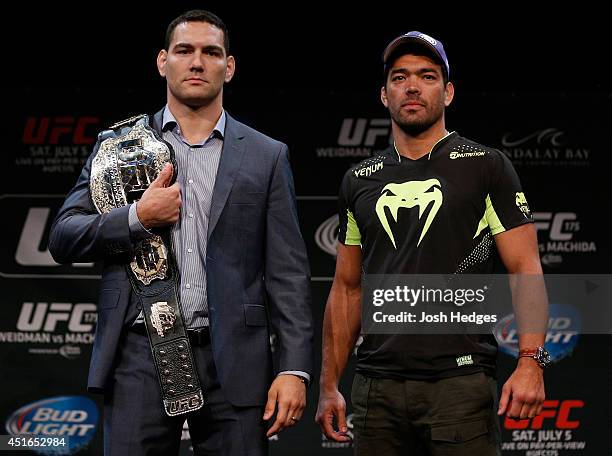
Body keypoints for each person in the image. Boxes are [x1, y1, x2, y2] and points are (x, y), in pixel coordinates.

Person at [49, 10, 313, 456]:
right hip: (139, 355)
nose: (197, 62)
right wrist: (137, 217)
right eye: (184, 51)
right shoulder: (117, 147)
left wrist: (294, 370)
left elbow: (288, 274)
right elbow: (63, 237)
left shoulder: (267, 155)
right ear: (162, 62)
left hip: (234, 359)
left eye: (211, 52)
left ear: (228, 67)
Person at [315, 31, 547, 455]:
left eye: (427, 76)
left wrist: (532, 361)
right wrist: (329, 384)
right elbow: (347, 288)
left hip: (459, 387)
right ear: (384, 95)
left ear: (449, 91)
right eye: (400, 77)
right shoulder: (359, 180)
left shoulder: (486, 166)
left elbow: (525, 269)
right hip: (376, 390)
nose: (413, 86)